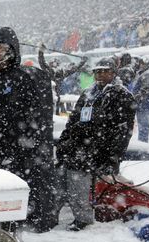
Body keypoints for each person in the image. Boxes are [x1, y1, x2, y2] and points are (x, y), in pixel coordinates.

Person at [0, 27, 57, 232]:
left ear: (11, 50)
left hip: (20, 148)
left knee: (16, 197)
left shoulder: (24, 77)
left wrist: (21, 146)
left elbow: (35, 118)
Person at [56, 57, 136, 231]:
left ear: (114, 73)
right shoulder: (88, 92)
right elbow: (73, 120)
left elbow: (123, 132)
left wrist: (113, 156)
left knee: (77, 177)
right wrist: (64, 142)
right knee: (60, 175)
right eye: (97, 71)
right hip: (79, 145)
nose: (100, 75)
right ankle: (52, 214)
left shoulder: (121, 95)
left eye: (105, 71)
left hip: (99, 149)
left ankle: (82, 218)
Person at [132, 55, 149, 142]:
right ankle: (142, 141)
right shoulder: (148, 72)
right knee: (143, 124)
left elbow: (146, 89)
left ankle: (143, 143)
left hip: (144, 103)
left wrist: (137, 98)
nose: (140, 65)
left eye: (142, 63)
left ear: (148, 63)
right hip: (145, 103)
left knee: (143, 125)